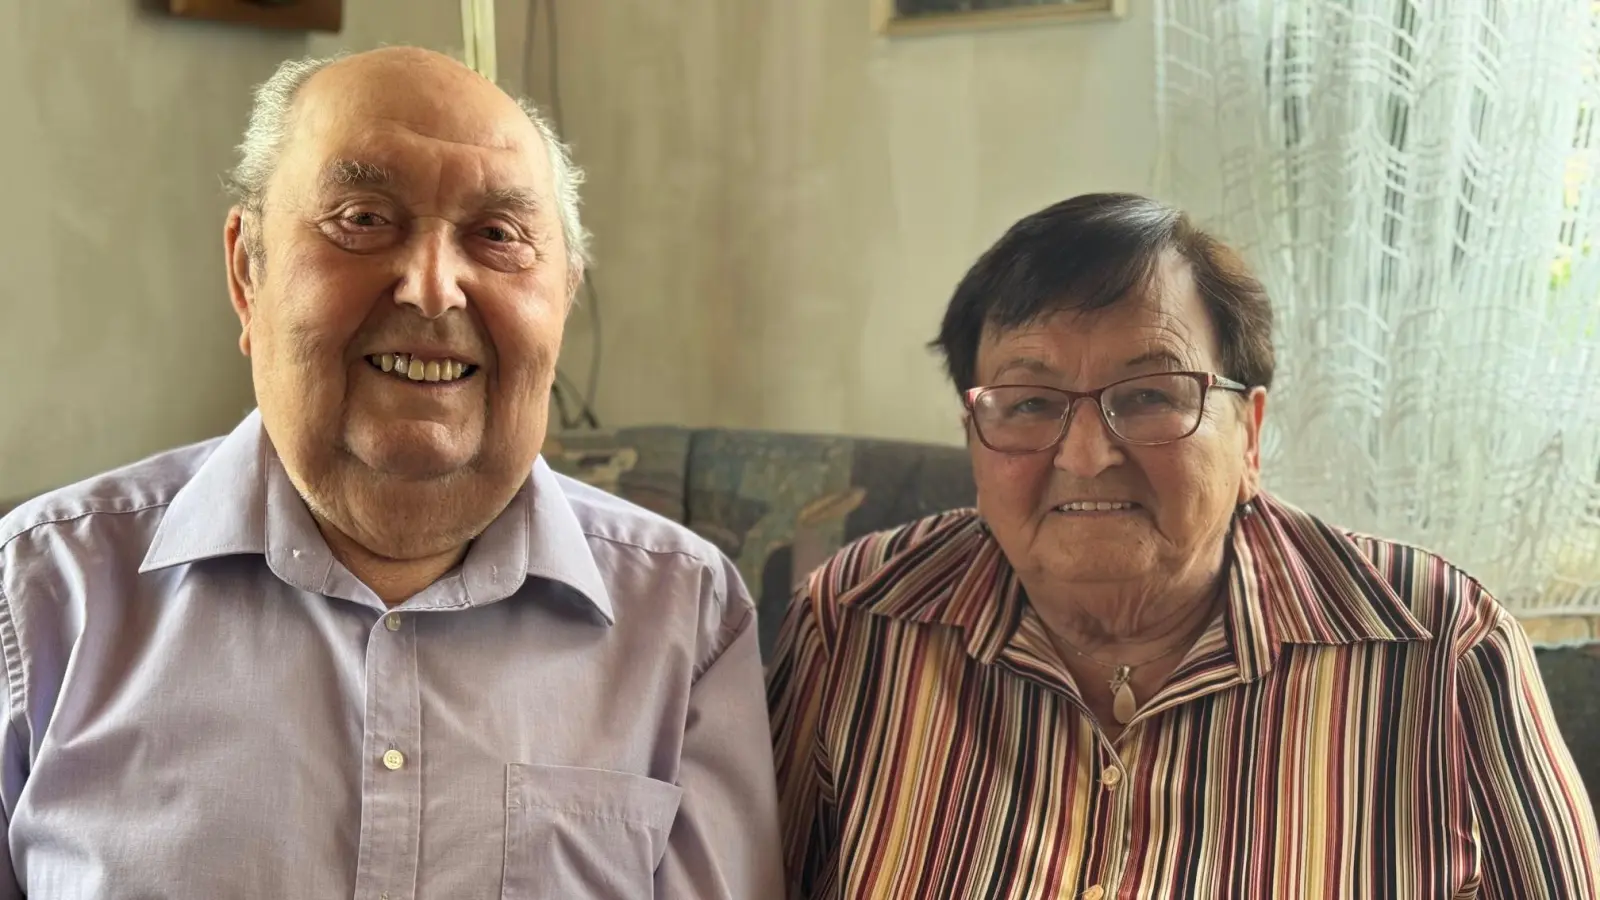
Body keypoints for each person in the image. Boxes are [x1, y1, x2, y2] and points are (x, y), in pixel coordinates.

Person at [0, 47, 783, 899]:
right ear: (247, 271)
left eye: (498, 236)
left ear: (563, 297)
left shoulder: (685, 618)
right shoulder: (38, 596)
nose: (432, 289)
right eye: (364, 218)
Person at [767, 192, 1600, 898]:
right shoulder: (855, 621)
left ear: (1250, 436)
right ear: (974, 437)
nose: (1086, 454)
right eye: (1028, 403)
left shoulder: (1440, 646)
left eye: (1150, 395)